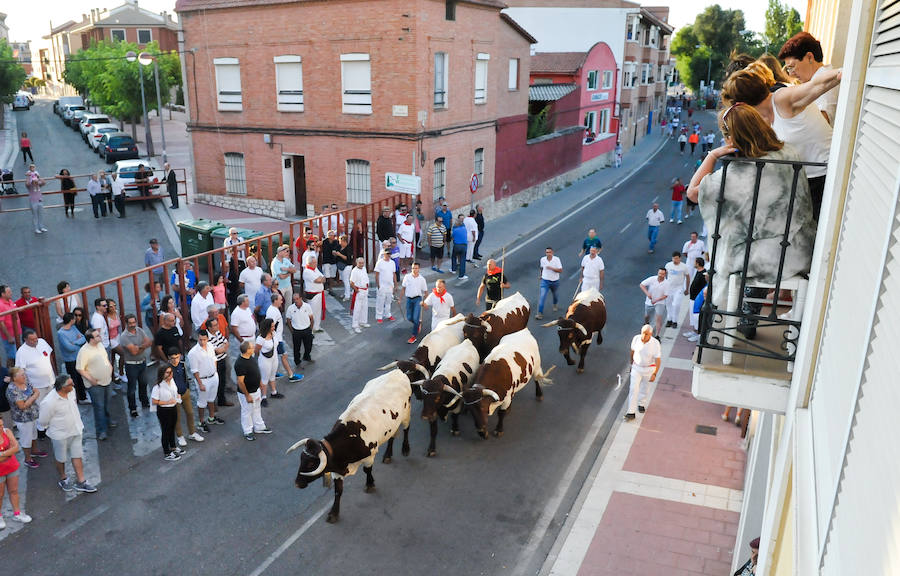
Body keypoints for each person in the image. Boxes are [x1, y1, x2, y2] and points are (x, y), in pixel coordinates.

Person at [686, 103, 817, 308]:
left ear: (732, 139)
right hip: (801, 249)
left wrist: (712, 155)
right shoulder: (789, 152)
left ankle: (739, 310)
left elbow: (693, 193)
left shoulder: (736, 174)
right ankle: (749, 311)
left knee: (730, 239)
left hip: (768, 262)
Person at [720, 60, 840, 219]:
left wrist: (841, 73)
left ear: (741, 104)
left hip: (827, 175)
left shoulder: (781, 99)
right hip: (807, 181)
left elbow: (815, 85)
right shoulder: (762, 118)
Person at [39, 375, 97, 493]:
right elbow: (43, 421)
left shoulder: (71, 391)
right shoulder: (49, 402)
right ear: (62, 387)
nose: (73, 385)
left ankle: (82, 481)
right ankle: (63, 478)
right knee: (61, 458)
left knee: (77, 455)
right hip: (60, 435)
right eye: (70, 384)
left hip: (76, 429)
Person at [779, 32, 838, 125]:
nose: (791, 74)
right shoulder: (817, 80)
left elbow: (821, 124)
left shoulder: (826, 82)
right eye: (788, 69)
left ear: (809, 57)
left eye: (792, 67)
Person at [76, 328, 114, 441]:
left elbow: (105, 358)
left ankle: (108, 421)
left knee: (106, 403)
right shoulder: (84, 351)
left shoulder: (100, 346)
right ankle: (101, 430)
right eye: (97, 336)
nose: (100, 337)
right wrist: (91, 380)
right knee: (99, 407)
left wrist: (110, 367)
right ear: (91, 339)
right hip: (96, 385)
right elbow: (80, 368)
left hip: (107, 380)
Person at [6, 367, 47, 469]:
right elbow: (22, 406)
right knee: (26, 438)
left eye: (24, 374)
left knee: (33, 434)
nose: (25, 376)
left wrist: (33, 396)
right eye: (22, 375)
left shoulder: (26, 382)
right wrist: (34, 396)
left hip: (32, 414)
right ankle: (28, 459)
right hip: (23, 418)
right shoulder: (12, 389)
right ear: (14, 378)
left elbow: (35, 391)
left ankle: (34, 451)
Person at [187, 330, 223, 434]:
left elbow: (214, 359)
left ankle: (211, 418)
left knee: (212, 399)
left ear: (207, 339)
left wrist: (215, 373)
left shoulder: (211, 346)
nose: (202, 342)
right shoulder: (193, 353)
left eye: (204, 339)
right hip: (203, 380)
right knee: (202, 403)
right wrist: (200, 383)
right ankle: (201, 422)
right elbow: (194, 370)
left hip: (213, 377)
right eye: (200, 339)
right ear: (197, 339)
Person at [0, 415, 33, 526]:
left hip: (12, 467)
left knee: (14, 491)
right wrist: (9, 453)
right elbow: (12, 449)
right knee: (0, 495)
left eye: (1, 425)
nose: (1, 428)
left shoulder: (7, 431)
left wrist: (3, 454)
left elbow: (16, 447)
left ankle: (17, 513)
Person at [235, 340, 270, 441]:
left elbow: (255, 371)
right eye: (251, 347)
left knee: (256, 408)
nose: (254, 347)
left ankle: (259, 426)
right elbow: (240, 382)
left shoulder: (251, 357)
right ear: (247, 350)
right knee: (247, 411)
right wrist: (247, 395)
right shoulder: (240, 364)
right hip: (247, 393)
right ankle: (248, 431)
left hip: (255, 390)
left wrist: (260, 384)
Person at [168, 348, 204, 447]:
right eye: (172, 358)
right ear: (168, 358)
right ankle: (180, 436)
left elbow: (185, 377)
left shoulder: (182, 365)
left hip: (185, 393)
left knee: (190, 413)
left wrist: (187, 388)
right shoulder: (167, 369)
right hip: (174, 397)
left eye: (177, 357)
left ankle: (192, 433)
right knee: (177, 417)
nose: (175, 360)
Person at [625, 325, 661, 421]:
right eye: (643, 333)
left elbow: (658, 360)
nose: (644, 336)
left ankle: (641, 403)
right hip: (636, 368)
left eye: (647, 334)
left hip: (649, 369)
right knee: (633, 388)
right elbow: (632, 352)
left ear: (651, 334)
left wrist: (655, 373)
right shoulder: (636, 339)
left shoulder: (655, 343)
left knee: (645, 388)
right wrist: (631, 364)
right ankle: (631, 412)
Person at [120, 314, 152, 417]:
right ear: (126, 323)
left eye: (134, 322)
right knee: (132, 388)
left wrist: (139, 347)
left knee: (143, 383)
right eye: (130, 323)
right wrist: (143, 346)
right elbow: (133, 352)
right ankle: (132, 408)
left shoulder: (139, 330)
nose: (133, 325)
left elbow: (149, 342)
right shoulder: (124, 336)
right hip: (131, 365)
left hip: (142, 362)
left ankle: (144, 401)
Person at [265, 293, 302, 382]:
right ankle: (291, 375)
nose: (282, 301)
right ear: (275, 301)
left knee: (275, 356)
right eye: (280, 300)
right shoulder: (273, 311)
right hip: (276, 338)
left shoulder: (273, 309)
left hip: (276, 337)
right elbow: (271, 325)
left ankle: (273, 373)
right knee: (284, 355)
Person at [15, 329, 56, 408]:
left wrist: (54, 372)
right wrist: (28, 388)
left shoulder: (42, 342)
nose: (36, 340)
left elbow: (50, 356)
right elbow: (20, 372)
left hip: (51, 382)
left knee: (54, 406)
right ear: (25, 340)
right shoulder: (21, 352)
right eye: (32, 339)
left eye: (36, 338)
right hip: (37, 388)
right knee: (42, 408)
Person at [151, 364, 182, 461]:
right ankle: (167, 452)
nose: (170, 374)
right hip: (164, 410)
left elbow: (175, 392)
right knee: (165, 430)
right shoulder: (157, 387)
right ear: (162, 374)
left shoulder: (172, 382)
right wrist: (167, 402)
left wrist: (177, 397)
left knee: (172, 427)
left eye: (171, 372)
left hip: (173, 407)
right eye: (167, 372)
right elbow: (154, 401)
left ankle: (173, 446)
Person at [57, 312, 88, 404]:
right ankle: (78, 398)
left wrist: (74, 342)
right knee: (75, 379)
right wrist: (78, 342)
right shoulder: (61, 333)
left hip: (78, 357)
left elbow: (84, 338)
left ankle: (83, 396)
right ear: (71, 320)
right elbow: (69, 348)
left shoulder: (73, 328)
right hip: (70, 360)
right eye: (74, 318)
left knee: (81, 377)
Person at [203, 316, 232, 407]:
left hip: (222, 359)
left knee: (222, 382)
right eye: (215, 325)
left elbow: (226, 343)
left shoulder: (217, 332)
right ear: (209, 328)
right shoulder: (207, 338)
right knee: (214, 383)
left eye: (217, 324)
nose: (217, 326)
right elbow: (217, 351)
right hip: (214, 363)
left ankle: (221, 400)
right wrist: (223, 348)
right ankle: (212, 403)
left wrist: (222, 348)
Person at [255, 318, 281, 407]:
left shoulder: (274, 333)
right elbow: (256, 350)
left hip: (274, 357)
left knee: (272, 375)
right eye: (272, 326)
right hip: (264, 360)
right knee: (264, 378)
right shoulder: (261, 338)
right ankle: (263, 396)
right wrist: (259, 358)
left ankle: (274, 392)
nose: (274, 328)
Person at [286, 293, 314, 368]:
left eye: (297, 299)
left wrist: (310, 329)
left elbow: (311, 318)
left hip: (306, 329)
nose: (296, 301)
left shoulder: (307, 306)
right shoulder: (290, 308)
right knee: (296, 348)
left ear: (301, 298)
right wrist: (292, 331)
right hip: (296, 331)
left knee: (308, 346)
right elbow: (288, 320)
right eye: (294, 299)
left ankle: (307, 356)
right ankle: (297, 361)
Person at [402, 263, 428, 344]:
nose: (414, 270)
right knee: (409, 317)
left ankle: (414, 336)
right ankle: (417, 324)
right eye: (413, 268)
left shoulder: (422, 279)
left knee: (416, 318)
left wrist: (424, 302)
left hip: (418, 299)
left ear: (419, 269)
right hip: (409, 299)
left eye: (416, 268)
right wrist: (400, 299)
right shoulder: (407, 277)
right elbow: (403, 288)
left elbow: (426, 292)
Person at [640, 268, 669, 337]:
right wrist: (647, 294)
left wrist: (656, 300)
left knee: (658, 319)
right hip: (649, 301)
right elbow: (642, 285)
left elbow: (666, 295)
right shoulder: (652, 279)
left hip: (660, 302)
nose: (660, 275)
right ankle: (646, 323)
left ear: (665, 275)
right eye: (659, 273)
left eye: (662, 274)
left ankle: (657, 336)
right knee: (647, 316)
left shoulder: (667, 283)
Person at [684, 259, 708, 342]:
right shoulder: (698, 271)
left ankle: (698, 333)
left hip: (697, 299)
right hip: (693, 298)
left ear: (697, 264)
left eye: (695, 262)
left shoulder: (703, 274)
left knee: (696, 317)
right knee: (692, 316)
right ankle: (694, 331)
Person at [536, 247, 562, 320]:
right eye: (547, 252)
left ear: (552, 253)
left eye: (549, 252)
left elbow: (560, 270)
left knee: (555, 295)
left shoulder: (557, 259)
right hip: (545, 281)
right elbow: (541, 268)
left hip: (555, 281)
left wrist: (552, 268)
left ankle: (555, 304)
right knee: (542, 296)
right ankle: (539, 313)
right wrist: (541, 275)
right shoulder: (543, 259)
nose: (548, 254)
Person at [665, 253, 690, 329]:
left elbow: (688, 277)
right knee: (668, 304)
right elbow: (664, 274)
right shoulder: (668, 265)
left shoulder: (684, 266)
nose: (674, 260)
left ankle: (675, 321)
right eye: (673, 258)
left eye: (676, 258)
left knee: (676, 304)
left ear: (680, 258)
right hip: (669, 288)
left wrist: (687, 289)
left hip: (678, 288)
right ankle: (669, 319)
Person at [303, 256, 326, 332]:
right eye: (314, 262)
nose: (315, 264)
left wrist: (321, 279)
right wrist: (320, 279)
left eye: (316, 262)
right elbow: (318, 280)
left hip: (319, 293)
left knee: (318, 311)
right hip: (312, 294)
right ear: (309, 263)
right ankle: (310, 329)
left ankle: (316, 327)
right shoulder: (307, 271)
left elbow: (323, 278)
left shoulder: (315, 269)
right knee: (312, 312)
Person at [374, 250, 397, 323]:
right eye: (387, 254)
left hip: (390, 285)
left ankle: (388, 314)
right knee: (380, 301)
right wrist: (378, 285)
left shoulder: (392, 263)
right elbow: (377, 274)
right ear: (384, 254)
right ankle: (379, 316)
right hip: (382, 285)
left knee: (388, 301)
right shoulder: (380, 262)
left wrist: (395, 284)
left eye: (389, 254)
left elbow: (394, 274)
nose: (388, 255)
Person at [349, 257, 371, 333]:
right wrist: (356, 290)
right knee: (357, 308)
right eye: (360, 263)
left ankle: (363, 322)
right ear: (356, 263)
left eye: (362, 263)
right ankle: (355, 325)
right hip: (359, 291)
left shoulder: (364, 269)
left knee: (365, 307)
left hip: (365, 290)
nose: (361, 264)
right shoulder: (354, 271)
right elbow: (351, 282)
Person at [25, 164, 47, 234]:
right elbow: (27, 183)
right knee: (35, 216)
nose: (36, 182)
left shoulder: (39, 185)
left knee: (41, 215)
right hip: (33, 201)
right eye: (34, 182)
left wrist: (38, 177)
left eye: (36, 181)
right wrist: (29, 176)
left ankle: (41, 227)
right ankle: (36, 228)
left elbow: (44, 182)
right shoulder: (30, 186)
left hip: (40, 200)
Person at [335, 234, 354, 301]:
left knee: (346, 280)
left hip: (347, 266)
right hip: (341, 265)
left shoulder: (348, 248)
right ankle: (346, 292)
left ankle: (347, 295)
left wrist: (339, 254)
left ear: (344, 241)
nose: (340, 243)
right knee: (344, 280)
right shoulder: (340, 247)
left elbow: (348, 258)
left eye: (341, 241)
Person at [451, 215, 468, 280]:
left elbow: (452, 237)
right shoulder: (464, 228)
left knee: (454, 256)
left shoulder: (455, 230)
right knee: (462, 260)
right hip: (464, 246)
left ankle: (453, 269)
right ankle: (461, 275)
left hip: (457, 245)